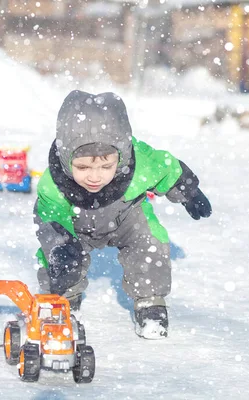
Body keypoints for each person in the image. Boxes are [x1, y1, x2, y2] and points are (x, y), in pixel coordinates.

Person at [33, 90, 212, 339]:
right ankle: (63, 300)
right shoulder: (54, 184)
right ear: (66, 159)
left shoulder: (139, 163)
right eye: (83, 167)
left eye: (106, 166)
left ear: (123, 154)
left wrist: (188, 190)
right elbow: (50, 219)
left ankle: (151, 301)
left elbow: (166, 167)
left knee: (150, 242)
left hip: (126, 218)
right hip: (75, 226)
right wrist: (60, 247)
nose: (95, 176)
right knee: (60, 258)